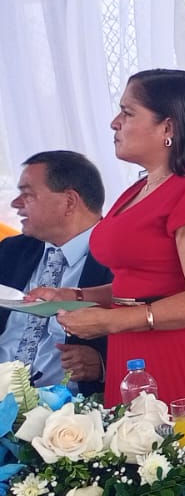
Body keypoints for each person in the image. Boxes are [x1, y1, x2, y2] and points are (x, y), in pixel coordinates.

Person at [33, 69, 185, 421]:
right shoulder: (140, 189)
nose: (114, 123)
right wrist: (75, 296)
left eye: (127, 113)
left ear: (168, 127)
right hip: (138, 346)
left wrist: (112, 322)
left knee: (182, 451)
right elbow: (144, 283)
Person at [0, 151, 111, 394]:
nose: (15, 204)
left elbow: (152, 335)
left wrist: (104, 365)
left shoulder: (122, 258)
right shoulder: (9, 252)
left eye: (27, 194)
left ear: (69, 201)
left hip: (70, 409)